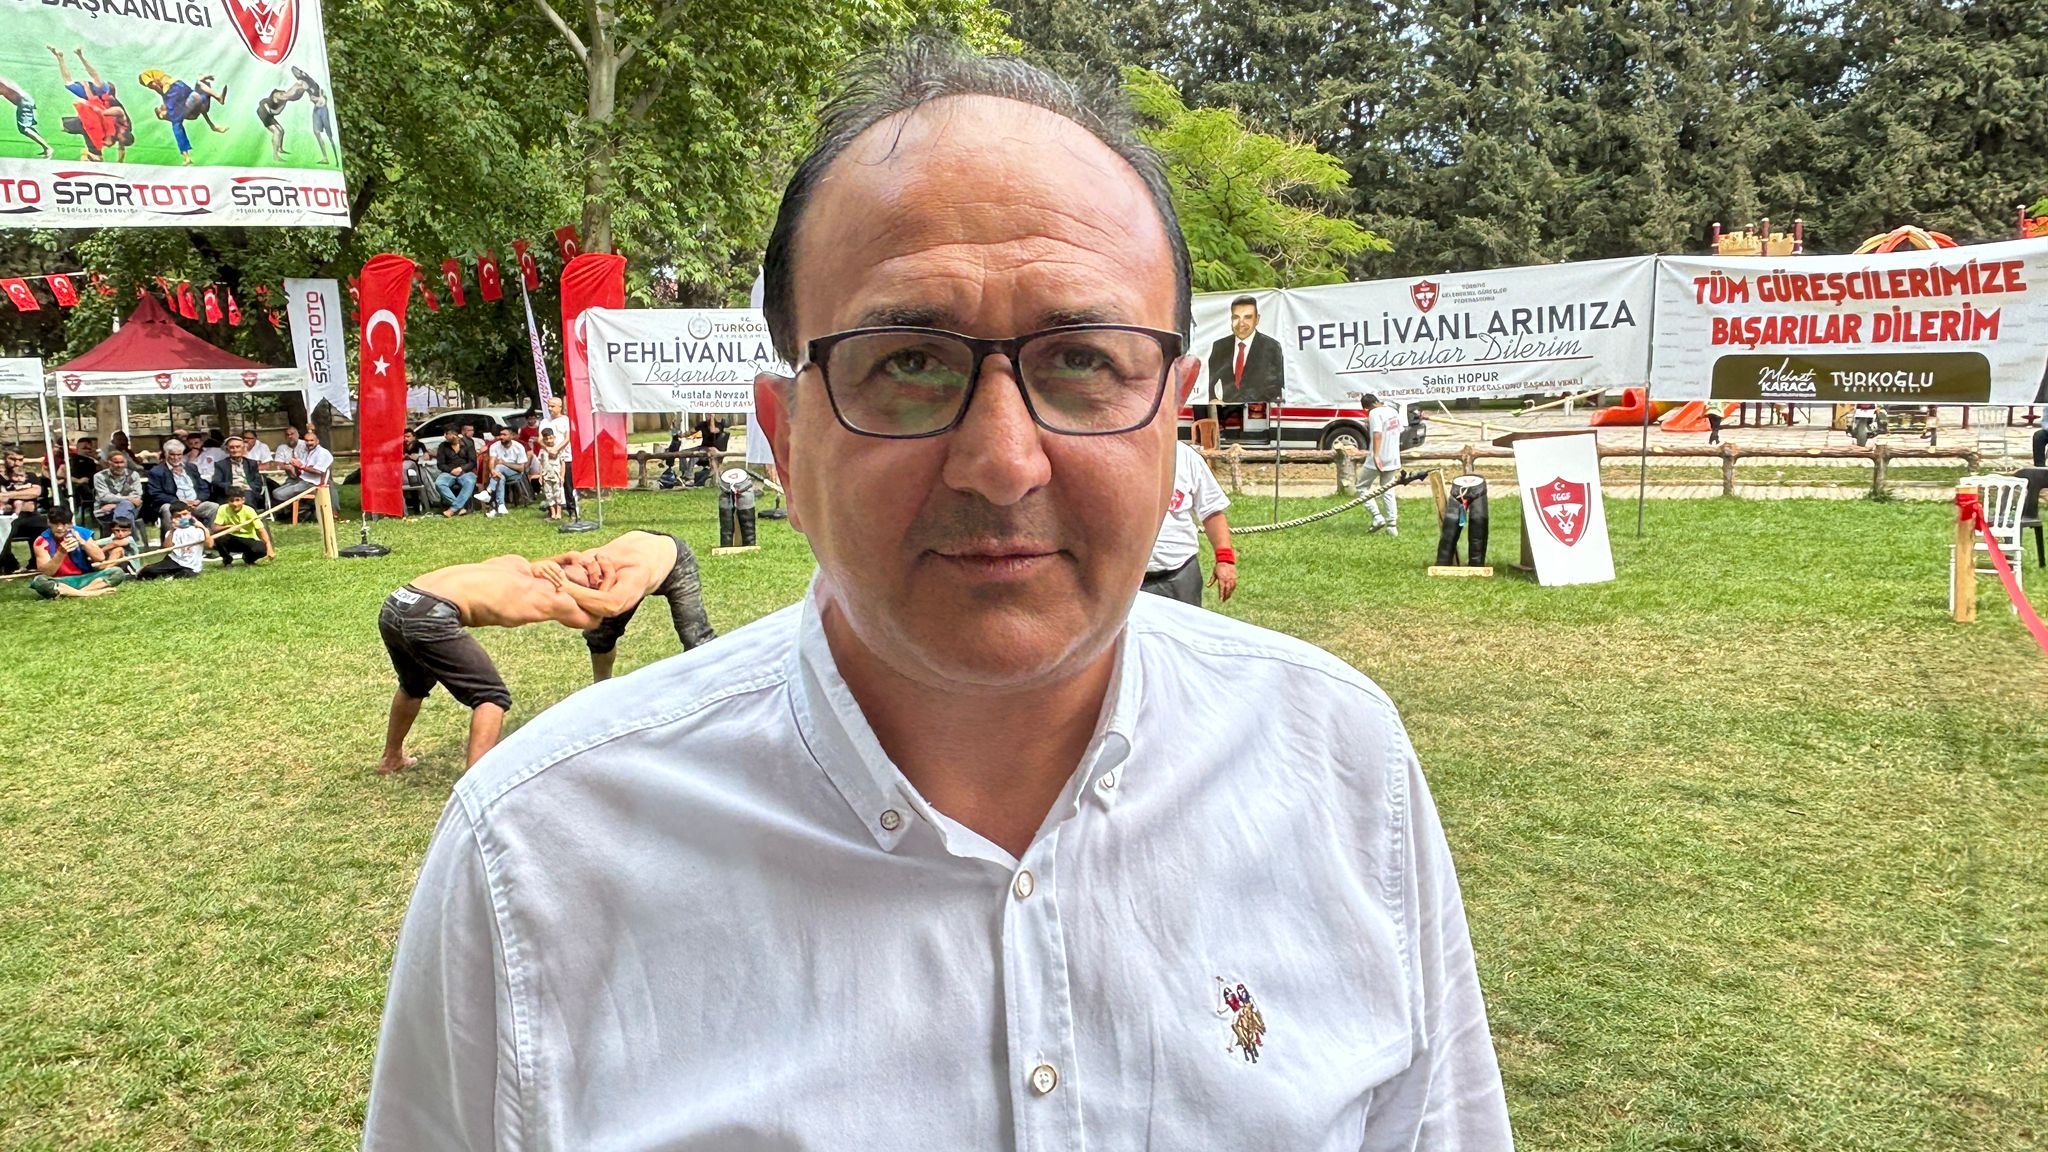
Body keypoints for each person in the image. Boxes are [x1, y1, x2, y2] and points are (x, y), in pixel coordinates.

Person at [365, 38, 1510, 1150]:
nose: (1002, 462)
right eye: (907, 363)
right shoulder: (537, 859)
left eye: (1082, 359)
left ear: (1173, 417)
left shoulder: (1336, 762)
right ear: (784, 440)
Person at [375, 555, 620, 773]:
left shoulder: (516, 564)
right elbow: (596, 616)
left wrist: (565, 560)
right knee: (491, 697)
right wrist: (606, 582)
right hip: (431, 616)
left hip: (398, 602)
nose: (590, 569)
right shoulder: (553, 596)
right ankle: (475, 784)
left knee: (414, 685)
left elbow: (547, 568)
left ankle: (392, 758)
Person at [548, 530, 717, 681]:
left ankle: (716, 683)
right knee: (599, 635)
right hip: (641, 547)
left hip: (675, 562)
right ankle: (601, 687)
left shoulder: (634, 570)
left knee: (696, 637)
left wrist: (566, 587)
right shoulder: (585, 560)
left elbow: (613, 605)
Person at [1141, 439, 1235, 605]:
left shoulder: (1185, 456)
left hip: (1180, 574)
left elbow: (1212, 511)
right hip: (1123, 580)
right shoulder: (1111, 454)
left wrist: (1225, 560)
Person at [47, 45, 132, 163]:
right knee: (97, 80)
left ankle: (60, 57)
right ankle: (80, 55)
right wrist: (86, 88)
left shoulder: (119, 134)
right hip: (103, 96)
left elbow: (121, 147)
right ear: (124, 132)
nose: (118, 140)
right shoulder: (122, 119)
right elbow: (101, 109)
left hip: (95, 102)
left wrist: (120, 162)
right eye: (119, 139)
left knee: (68, 83)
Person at [29, 505, 125, 598]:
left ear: (70, 524)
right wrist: (60, 553)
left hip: (85, 577)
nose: (60, 528)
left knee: (117, 572)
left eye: (64, 524)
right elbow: (47, 572)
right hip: (60, 581)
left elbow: (100, 558)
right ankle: (88, 593)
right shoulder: (42, 541)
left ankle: (74, 593)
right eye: (56, 524)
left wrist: (82, 542)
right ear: (49, 522)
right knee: (39, 581)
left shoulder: (81, 533)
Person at [137, 69, 228, 164]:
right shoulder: (177, 109)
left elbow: (155, 85)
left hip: (173, 91)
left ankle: (186, 157)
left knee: (176, 125)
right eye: (161, 108)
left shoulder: (144, 76)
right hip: (180, 85)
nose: (161, 107)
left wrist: (164, 98)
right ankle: (217, 98)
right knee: (199, 92)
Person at [1207, 293, 1285, 404]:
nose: (1241, 323)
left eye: (1247, 317)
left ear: (1257, 319)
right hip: (1225, 413)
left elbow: (1276, 388)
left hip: (1259, 413)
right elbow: (1210, 383)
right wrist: (1213, 399)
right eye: (1236, 317)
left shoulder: (1272, 347)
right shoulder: (1219, 347)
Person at [144, 440, 216, 541]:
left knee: (214, 507)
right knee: (166, 508)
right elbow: (155, 493)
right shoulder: (157, 471)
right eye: (172, 454)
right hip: (174, 504)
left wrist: (199, 500)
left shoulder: (191, 467)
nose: (176, 458)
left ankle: (209, 539)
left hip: (194, 504)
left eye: (179, 454)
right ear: (166, 454)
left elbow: (203, 487)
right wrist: (179, 502)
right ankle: (170, 542)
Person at [0, 449, 50, 576]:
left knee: (47, 525)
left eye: (20, 460)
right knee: (5, 530)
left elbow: (35, 492)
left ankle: (37, 563)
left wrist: (8, 494)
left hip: (31, 515)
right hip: (8, 516)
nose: (17, 463)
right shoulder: (1, 478)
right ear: (5, 459)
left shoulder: (31, 476)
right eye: (13, 459)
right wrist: (24, 494)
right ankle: (9, 565)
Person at [1359, 392, 1401, 536]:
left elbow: (1377, 433)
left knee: (1362, 486)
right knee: (1388, 489)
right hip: (1393, 457)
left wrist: (1376, 455)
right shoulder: (1392, 411)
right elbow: (1398, 430)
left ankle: (1377, 517)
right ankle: (1392, 526)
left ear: (1366, 408)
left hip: (1378, 458)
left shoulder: (1374, 413)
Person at [138, 501, 206, 580]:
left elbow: (210, 544)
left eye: (185, 514)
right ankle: (145, 569)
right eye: (178, 516)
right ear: (172, 518)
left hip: (190, 565)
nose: (182, 518)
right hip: (173, 560)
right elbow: (167, 548)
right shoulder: (172, 531)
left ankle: (172, 576)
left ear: (190, 514)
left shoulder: (198, 529)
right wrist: (172, 530)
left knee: (186, 573)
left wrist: (203, 527)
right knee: (149, 571)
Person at [207, 486, 272, 566]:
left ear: (243, 500)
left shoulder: (249, 510)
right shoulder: (222, 509)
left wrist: (269, 548)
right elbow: (215, 528)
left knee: (262, 549)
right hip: (231, 539)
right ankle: (227, 561)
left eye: (237, 500)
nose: (235, 504)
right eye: (231, 501)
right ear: (227, 501)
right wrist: (229, 527)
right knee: (219, 538)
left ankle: (248, 559)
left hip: (248, 538)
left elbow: (261, 530)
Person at [273, 428, 332, 508]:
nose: (309, 443)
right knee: (275, 492)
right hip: (301, 480)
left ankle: (303, 508)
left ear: (317, 441)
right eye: (307, 441)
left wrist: (302, 466)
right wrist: (296, 465)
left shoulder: (322, 453)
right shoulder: (308, 452)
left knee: (278, 494)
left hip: (312, 484)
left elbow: (319, 471)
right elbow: (299, 471)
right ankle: (298, 509)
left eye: (311, 440)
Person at [290, 66, 337, 165]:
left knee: (329, 134)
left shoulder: (306, 80)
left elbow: (297, 89)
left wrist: (320, 98)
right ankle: (325, 157)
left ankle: (336, 159)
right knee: (317, 132)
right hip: (317, 108)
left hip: (322, 108)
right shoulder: (306, 80)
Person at [0, 74, 52, 158]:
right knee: (28, 128)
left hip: (24, 101)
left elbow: (3, 90)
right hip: (26, 100)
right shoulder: (3, 79)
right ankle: (46, 147)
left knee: (24, 128)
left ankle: (47, 148)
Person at [434, 425, 480, 515]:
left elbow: (472, 462)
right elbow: (440, 464)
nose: (446, 436)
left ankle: (453, 509)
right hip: (449, 472)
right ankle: (459, 508)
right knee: (439, 483)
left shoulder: (468, 444)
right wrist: (451, 470)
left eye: (448, 434)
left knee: (469, 482)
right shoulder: (443, 446)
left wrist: (461, 468)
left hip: (465, 472)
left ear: (456, 435)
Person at [211, 435, 268, 509]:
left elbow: (257, 482)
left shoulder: (251, 463)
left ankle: (248, 515)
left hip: (248, 491)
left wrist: (248, 488)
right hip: (229, 492)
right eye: (232, 447)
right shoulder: (220, 464)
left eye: (238, 447)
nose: (235, 450)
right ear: (227, 450)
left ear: (243, 449)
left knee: (247, 496)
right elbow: (216, 482)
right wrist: (233, 488)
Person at [255, 78, 306, 159]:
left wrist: (300, 87)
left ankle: (280, 149)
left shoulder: (284, 99)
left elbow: (278, 111)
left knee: (281, 130)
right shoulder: (275, 96)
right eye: (281, 95)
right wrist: (267, 108)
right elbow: (262, 102)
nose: (283, 96)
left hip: (269, 114)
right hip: (263, 113)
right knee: (277, 132)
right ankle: (275, 155)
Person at [483, 426, 529, 516]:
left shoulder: (519, 447)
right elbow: (492, 461)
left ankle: (489, 491)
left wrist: (504, 463)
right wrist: (492, 470)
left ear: (512, 436)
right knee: (500, 477)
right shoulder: (494, 446)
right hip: (498, 474)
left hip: (515, 473)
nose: (501, 437)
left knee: (499, 467)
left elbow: (521, 468)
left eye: (504, 435)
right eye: (500, 434)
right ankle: (501, 505)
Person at [92, 450, 143, 526]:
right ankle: (127, 531)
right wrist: (128, 499)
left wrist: (116, 506)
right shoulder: (100, 476)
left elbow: (137, 496)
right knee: (127, 510)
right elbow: (104, 497)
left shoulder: (134, 475)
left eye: (122, 462)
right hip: (104, 510)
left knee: (127, 507)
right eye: (116, 462)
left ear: (125, 463)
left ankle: (119, 529)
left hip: (128, 507)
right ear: (109, 463)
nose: (119, 465)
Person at [534, 428, 567, 519]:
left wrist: (562, 476)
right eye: (546, 439)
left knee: (558, 493)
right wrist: (540, 476)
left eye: (550, 438)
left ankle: (559, 512)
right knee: (549, 494)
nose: (549, 441)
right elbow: (541, 463)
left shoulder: (559, 449)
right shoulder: (543, 450)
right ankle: (553, 512)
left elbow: (563, 463)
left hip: (556, 475)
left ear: (554, 437)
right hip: (546, 476)